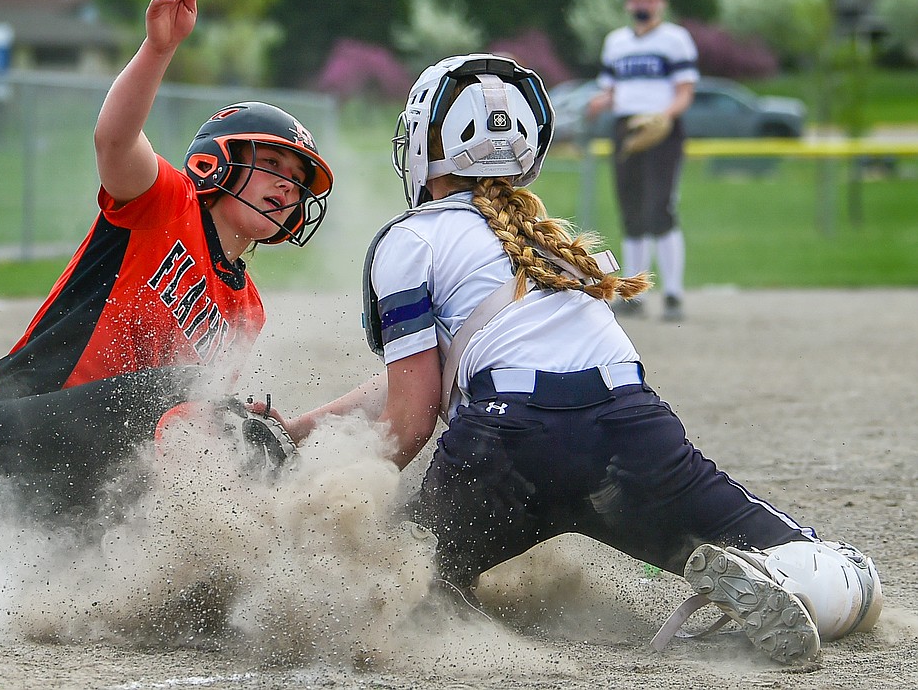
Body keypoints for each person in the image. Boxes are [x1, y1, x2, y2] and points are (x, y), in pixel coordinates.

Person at [278, 54, 881, 664]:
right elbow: (462, 374)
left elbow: (411, 415)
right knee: (835, 568)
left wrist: (349, 498)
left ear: (426, 149)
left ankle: (435, 595)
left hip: (508, 445)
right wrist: (301, 428)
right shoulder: (553, 240)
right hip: (633, 435)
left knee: (377, 586)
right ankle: (795, 584)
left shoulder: (410, 240)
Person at [0, 0, 334, 532]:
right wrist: (158, 50)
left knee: (254, 444)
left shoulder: (248, 309)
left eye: (298, 179)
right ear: (217, 162)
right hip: (9, 436)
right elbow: (114, 138)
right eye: (273, 163)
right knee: (198, 397)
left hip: (84, 480)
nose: (287, 185)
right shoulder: (165, 201)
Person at [586, 0, 697, 322]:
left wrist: (663, 117)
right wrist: (599, 102)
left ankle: (674, 293)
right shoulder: (616, 42)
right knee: (632, 210)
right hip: (625, 127)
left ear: (660, 2)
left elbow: (685, 91)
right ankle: (633, 294)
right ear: (628, 3)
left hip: (662, 128)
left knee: (659, 208)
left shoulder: (674, 39)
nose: (641, 4)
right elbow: (613, 88)